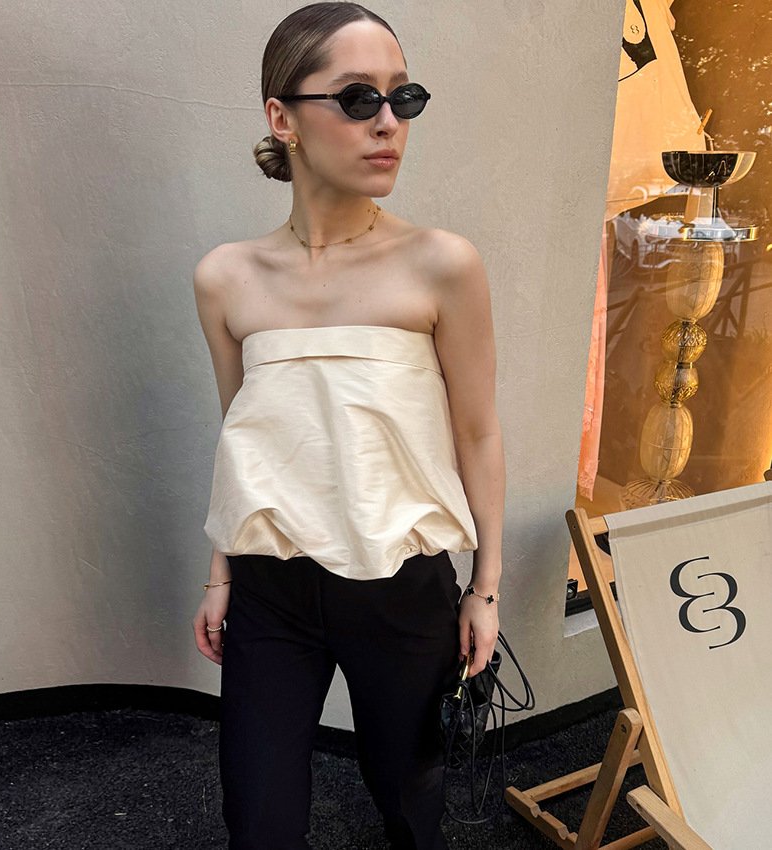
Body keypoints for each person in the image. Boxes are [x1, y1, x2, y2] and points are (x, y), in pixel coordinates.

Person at [191, 3, 504, 848]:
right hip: (271, 590)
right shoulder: (226, 277)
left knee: (410, 798)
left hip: (402, 587)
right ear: (282, 118)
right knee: (257, 817)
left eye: (404, 97)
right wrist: (220, 573)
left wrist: (484, 588)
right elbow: (241, 436)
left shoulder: (442, 265)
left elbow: (478, 433)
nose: (389, 123)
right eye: (359, 98)